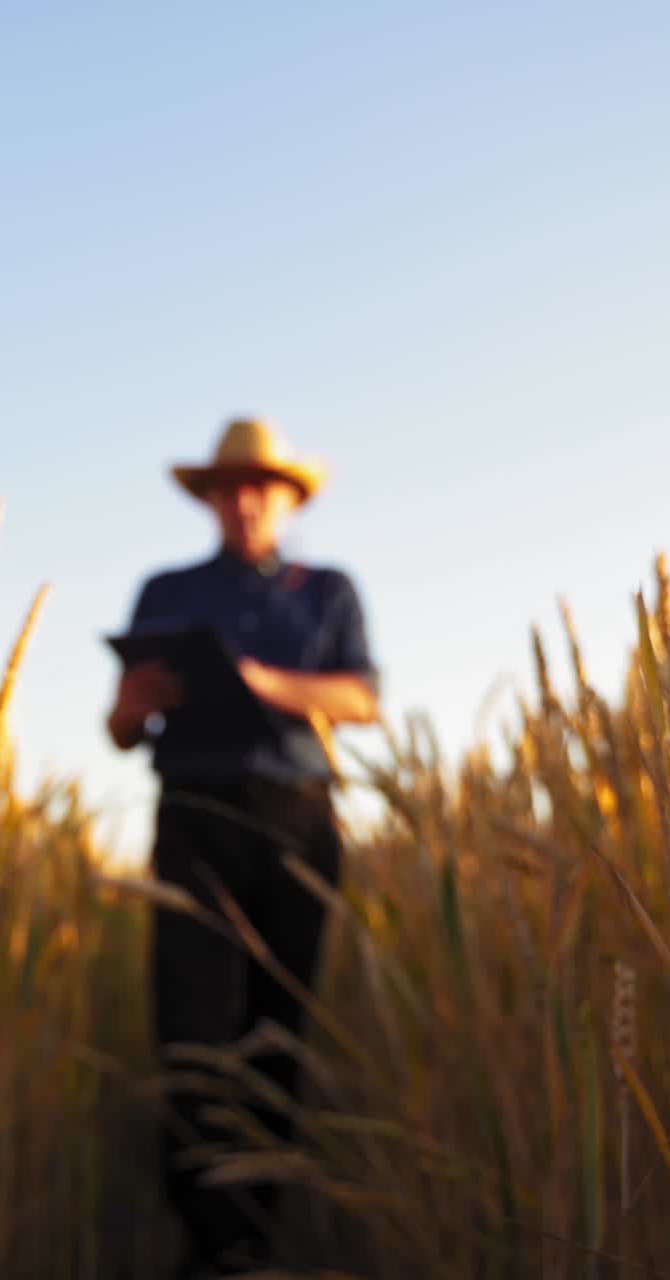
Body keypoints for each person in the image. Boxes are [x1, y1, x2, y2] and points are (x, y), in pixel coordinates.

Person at [106, 418, 379, 1277]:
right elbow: (119, 728)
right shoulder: (165, 592)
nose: (243, 501)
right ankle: (209, 1242)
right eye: (228, 487)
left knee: (276, 1031)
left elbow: (363, 697)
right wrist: (139, 702)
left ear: (290, 498)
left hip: (297, 820)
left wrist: (263, 683)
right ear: (211, 500)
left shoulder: (328, 590)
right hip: (192, 817)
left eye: (260, 486)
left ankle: (256, 1236)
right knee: (192, 1032)